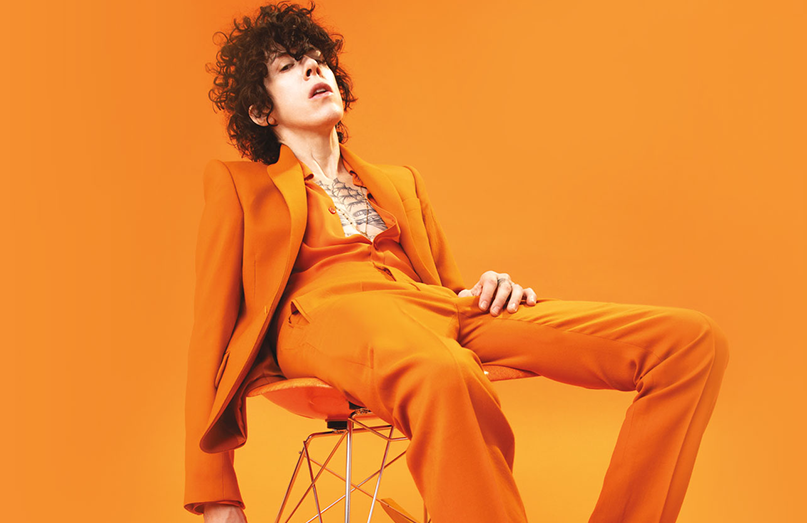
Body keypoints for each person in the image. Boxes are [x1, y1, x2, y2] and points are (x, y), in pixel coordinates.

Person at [184, 2, 730, 522]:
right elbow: (211, 333)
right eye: (288, 67)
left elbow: (448, 291)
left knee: (688, 342)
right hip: (323, 318)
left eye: (317, 60)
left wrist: (488, 287)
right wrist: (215, 492)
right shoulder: (240, 185)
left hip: (431, 311)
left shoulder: (400, 182)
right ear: (261, 111)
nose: (312, 70)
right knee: (444, 370)